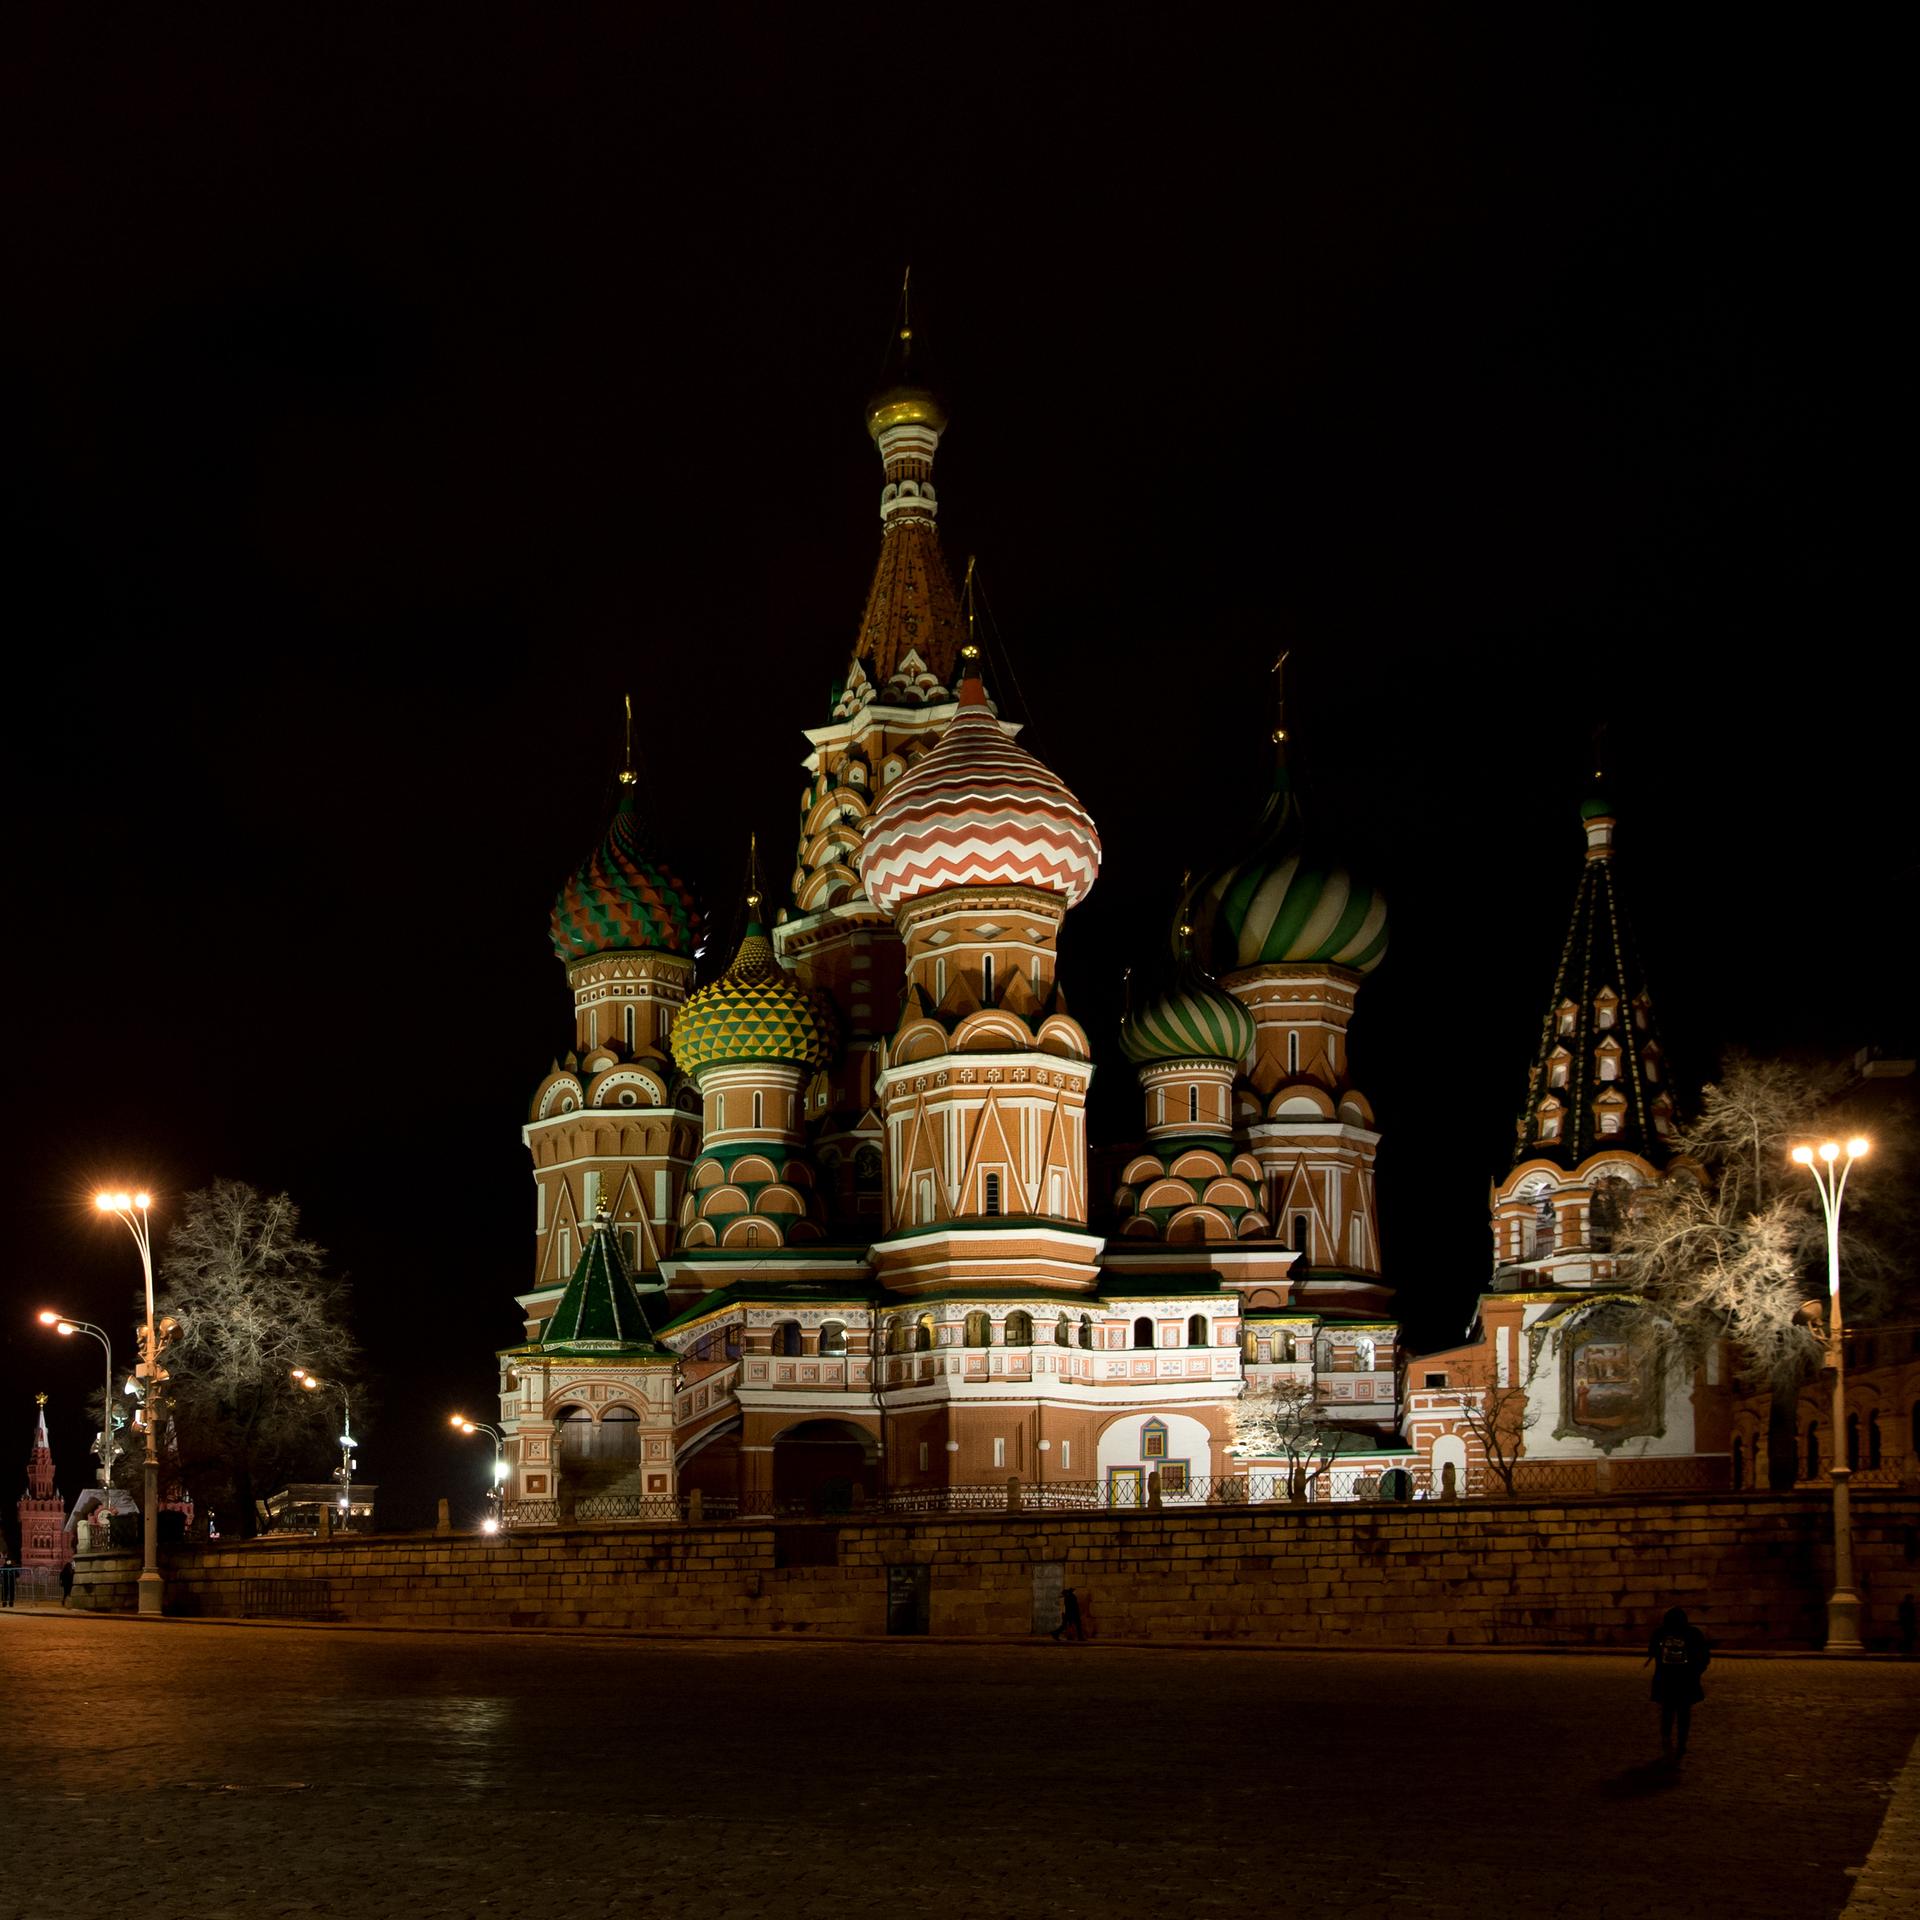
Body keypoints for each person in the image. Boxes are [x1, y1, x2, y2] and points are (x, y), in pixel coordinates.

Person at [1645, 1606, 1711, 1756]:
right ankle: (1682, 1742)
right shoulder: (1693, 1633)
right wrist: (1697, 1672)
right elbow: (1704, 1656)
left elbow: (1651, 1651)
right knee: (1684, 1713)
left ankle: (1666, 1738)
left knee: (1667, 1711)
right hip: (1686, 1680)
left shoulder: (1660, 1633)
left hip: (1666, 1680)